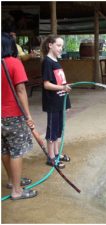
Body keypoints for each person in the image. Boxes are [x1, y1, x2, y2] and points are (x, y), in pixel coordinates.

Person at [1, 32, 38, 200]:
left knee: (4, 150)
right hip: (13, 116)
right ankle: (17, 190)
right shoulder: (14, 63)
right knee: (16, 151)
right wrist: (28, 115)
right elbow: (21, 90)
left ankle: (11, 180)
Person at [41, 34, 72, 169]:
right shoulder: (47, 62)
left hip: (60, 101)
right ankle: (51, 157)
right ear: (50, 45)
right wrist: (62, 88)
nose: (60, 48)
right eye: (58, 45)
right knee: (52, 130)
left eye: (62, 46)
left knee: (59, 130)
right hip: (52, 102)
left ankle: (57, 153)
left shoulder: (56, 61)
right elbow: (46, 84)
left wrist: (67, 102)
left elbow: (62, 82)